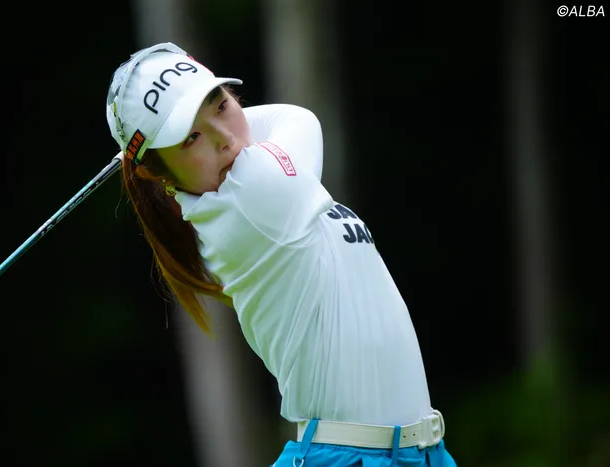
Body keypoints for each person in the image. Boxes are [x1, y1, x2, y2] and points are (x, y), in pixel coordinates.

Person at [106, 42, 457, 467]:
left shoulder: (229, 200)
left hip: (418, 452)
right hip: (352, 458)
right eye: (192, 138)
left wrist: (160, 142)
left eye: (221, 106)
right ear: (154, 172)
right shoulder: (251, 194)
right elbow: (297, 117)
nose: (226, 139)